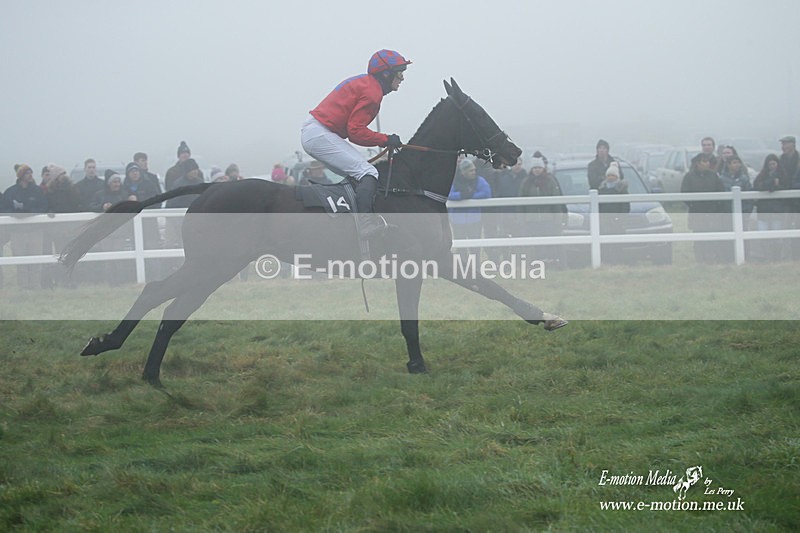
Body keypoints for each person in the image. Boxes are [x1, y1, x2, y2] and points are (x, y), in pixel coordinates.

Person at [301, 49, 410, 242]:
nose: (402, 78)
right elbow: (355, 132)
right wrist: (385, 139)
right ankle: (365, 225)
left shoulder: (367, 84)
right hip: (319, 133)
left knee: (357, 176)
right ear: (386, 74)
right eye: (399, 72)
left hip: (318, 132)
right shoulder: (373, 93)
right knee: (368, 172)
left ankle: (348, 223)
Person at [681, 153, 730, 263]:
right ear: (698, 163)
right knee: (699, 237)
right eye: (704, 161)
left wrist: (716, 207)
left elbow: (720, 191)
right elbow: (684, 194)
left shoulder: (713, 176)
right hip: (697, 213)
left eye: (708, 161)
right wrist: (695, 206)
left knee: (712, 237)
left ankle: (712, 259)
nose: (707, 163)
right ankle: (700, 259)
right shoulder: (689, 176)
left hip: (712, 212)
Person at [4, 164, 47, 288]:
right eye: (27, 173)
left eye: (31, 173)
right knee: (20, 261)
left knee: (36, 261)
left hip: (35, 231)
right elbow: (4, 209)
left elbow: (44, 207)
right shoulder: (10, 192)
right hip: (17, 232)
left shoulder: (37, 191)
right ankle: (23, 287)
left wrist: (29, 212)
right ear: (21, 176)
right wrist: (15, 214)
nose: (30, 175)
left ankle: (35, 286)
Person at [517, 156, 565, 265]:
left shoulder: (550, 181)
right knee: (535, 244)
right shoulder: (526, 182)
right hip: (531, 220)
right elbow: (521, 203)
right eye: (535, 168)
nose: (537, 170)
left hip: (548, 219)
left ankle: (551, 263)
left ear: (543, 168)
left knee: (549, 243)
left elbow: (556, 201)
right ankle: (536, 264)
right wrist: (521, 220)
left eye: (539, 167)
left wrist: (558, 219)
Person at [42, 166, 81, 288]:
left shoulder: (72, 189)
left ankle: (72, 279)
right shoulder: (50, 191)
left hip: (70, 228)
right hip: (58, 229)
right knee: (60, 253)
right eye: (60, 174)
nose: (63, 176)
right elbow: (47, 205)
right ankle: (61, 279)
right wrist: (49, 211)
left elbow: (76, 204)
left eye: (64, 174)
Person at [448, 158, 491, 260]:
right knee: (461, 248)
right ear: (464, 172)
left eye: (474, 170)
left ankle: (475, 266)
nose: (473, 172)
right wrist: (461, 195)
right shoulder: (454, 181)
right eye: (471, 170)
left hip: (474, 220)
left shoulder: (479, 180)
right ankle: (463, 267)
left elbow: (487, 193)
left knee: (475, 247)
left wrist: (471, 196)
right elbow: (449, 194)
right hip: (458, 221)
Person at [753, 154, 789, 261]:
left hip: (777, 211)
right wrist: (771, 183)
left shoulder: (783, 176)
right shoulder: (761, 176)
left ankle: (776, 257)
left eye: (774, 164)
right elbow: (757, 187)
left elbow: (786, 188)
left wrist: (775, 186)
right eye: (770, 164)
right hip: (764, 210)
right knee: (763, 234)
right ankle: (766, 257)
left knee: (776, 235)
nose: (772, 166)